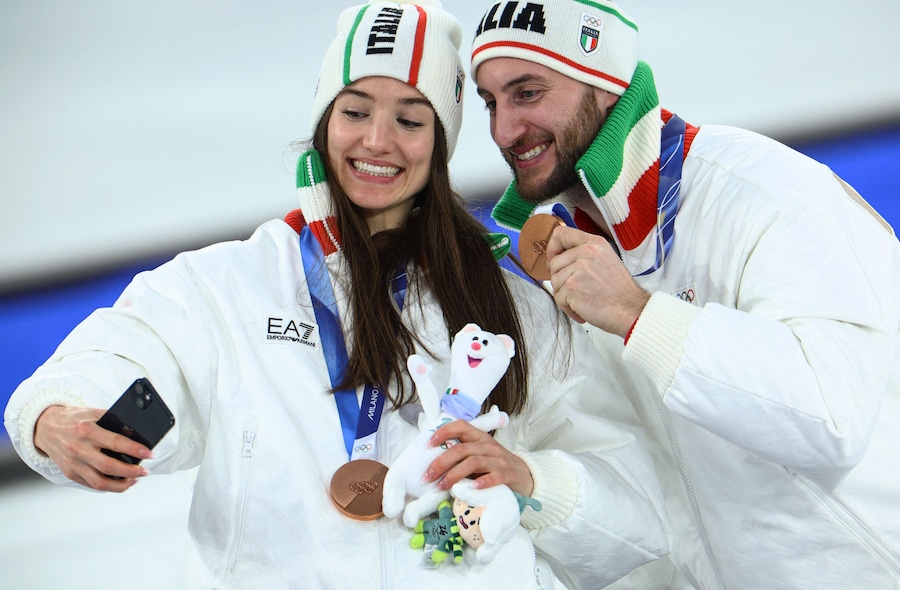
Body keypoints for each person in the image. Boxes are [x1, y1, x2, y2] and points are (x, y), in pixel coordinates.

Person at [4, 1, 670, 588]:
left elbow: (633, 504)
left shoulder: (511, 307)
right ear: (324, 120)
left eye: (411, 119)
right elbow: (122, 360)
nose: (377, 141)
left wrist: (526, 483)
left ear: (439, 143)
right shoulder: (230, 286)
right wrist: (55, 417)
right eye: (355, 111)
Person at [470, 1, 900, 588]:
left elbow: (831, 415)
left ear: (604, 83)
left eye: (527, 92)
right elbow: (650, 502)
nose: (502, 129)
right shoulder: (568, 264)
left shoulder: (764, 189)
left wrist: (637, 316)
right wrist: (531, 483)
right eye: (490, 101)